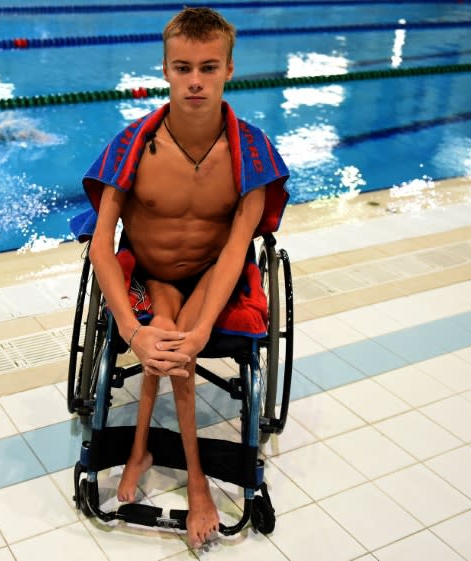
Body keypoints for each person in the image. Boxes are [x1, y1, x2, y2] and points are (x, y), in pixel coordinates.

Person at [82, 7, 289, 548]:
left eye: (208, 67)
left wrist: (195, 335)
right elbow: (101, 247)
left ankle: (151, 458)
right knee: (169, 335)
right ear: (166, 69)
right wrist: (131, 330)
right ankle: (191, 480)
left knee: (177, 341)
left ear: (229, 69)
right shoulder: (131, 148)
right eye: (183, 67)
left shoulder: (252, 155)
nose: (195, 81)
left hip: (212, 276)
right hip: (151, 274)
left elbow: (237, 249)